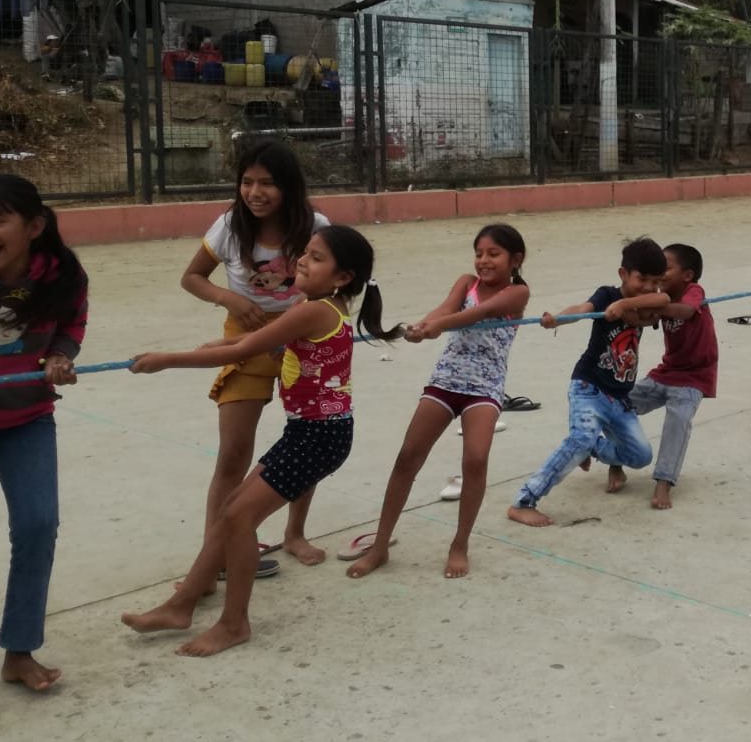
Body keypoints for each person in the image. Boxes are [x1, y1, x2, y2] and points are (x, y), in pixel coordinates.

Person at [121, 225, 398, 656]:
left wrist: (167, 359)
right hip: (309, 433)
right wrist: (226, 340)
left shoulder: (314, 311)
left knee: (238, 518)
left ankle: (234, 624)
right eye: (305, 252)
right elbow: (258, 342)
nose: (302, 261)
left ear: (342, 277)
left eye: (317, 258)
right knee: (232, 512)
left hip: (319, 437)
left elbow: (241, 353)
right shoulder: (317, 307)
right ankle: (180, 606)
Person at [0, 174, 88, 692]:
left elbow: (71, 325)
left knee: (36, 525)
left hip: (24, 417)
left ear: (33, 226)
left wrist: (60, 355)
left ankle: (19, 649)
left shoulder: (61, 273)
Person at [180, 140, 328, 580]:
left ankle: (295, 534)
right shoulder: (230, 226)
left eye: (267, 183)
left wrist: (305, 310)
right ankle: (214, 557)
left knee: (307, 444)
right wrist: (229, 298)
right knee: (233, 453)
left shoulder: (316, 226)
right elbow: (192, 277)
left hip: (303, 340)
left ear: (289, 186)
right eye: (247, 182)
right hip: (244, 342)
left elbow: (336, 281)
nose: (255, 192)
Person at [347, 224, 529, 580]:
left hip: (485, 387)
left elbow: (479, 313)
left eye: (493, 254)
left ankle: (459, 545)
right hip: (446, 380)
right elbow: (444, 308)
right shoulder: (466, 282)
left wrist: (439, 326)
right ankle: (380, 546)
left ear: (515, 259)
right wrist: (422, 326)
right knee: (408, 456)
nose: (483, 260)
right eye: (479, 253)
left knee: (475, 460)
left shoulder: (518, 292)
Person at [506, 238, 668, 527]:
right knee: (580, 438)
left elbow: (664, 300)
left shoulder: (641, 302)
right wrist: (557, 319)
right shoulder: (607, 295)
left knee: (641, 455)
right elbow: (582, 308)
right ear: (623, 274)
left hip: (620, 399)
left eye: (655, 281)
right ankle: (524, 501)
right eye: (642, 279)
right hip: (589, 388)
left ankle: (592, 447)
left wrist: (626, 304)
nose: (648, 287)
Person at [629, 243, 718, 510]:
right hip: (667, 371)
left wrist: (648, 305)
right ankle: (614, 462)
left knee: (677, 420)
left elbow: (686, 311)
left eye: (666, 268)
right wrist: (635, 310)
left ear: (687, 275)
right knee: (619, 404)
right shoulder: (660, 294)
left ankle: (664, 481)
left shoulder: (694, 291)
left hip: (694, 376)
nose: (660, 273)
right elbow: (645, 319)